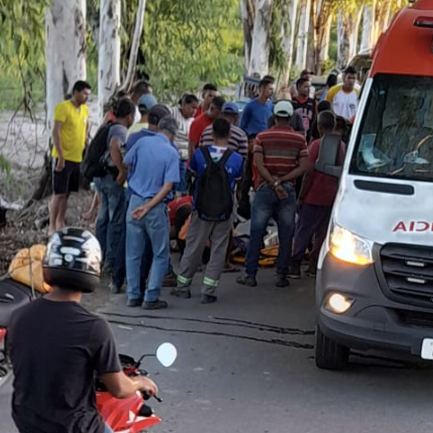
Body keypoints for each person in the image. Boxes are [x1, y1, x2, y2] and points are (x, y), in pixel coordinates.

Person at [8, 228, 158, 433]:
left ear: (48, 268)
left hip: (27, 421)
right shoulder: (94, 327)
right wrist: (140, 381)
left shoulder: (20, 316)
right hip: (74, 430)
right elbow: (119, 388)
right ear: (92, 271)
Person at [172, 118, 244, 303]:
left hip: (200, 209)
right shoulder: (236, 159)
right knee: (219, 249)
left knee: (193, 246)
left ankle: (183, 286)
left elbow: (193, 176)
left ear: (211, 135)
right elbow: (237, 182)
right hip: (224, 210)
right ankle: (208, 291)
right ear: (229, 134)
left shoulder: (198, 154)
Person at [241, 100, 308, 289]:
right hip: (287, 191)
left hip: (264, 189)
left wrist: (272, 182)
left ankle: (250, 275)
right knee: (286, 234)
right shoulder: (300, 140)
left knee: (256, 232)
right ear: (291, 118)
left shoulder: (262, 137)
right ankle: (281, 275)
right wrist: (283, 181)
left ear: (275, 116)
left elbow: (258, 164)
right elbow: (304, 166)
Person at [124, 117, 181, 309]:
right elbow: (168, 186)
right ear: (172, 134)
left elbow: (127, 162)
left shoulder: (141, 142)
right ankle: (151, 296)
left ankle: (133, 295)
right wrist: (149, 206)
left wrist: (140, 178)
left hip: (134, 201)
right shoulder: (171, 152)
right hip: (154, 206)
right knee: (160, 253)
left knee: (133, 252)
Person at [289, 111, 344, 278]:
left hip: (313, 196)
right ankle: (313, 266)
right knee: (322, 234)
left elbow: (309, 173)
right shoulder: (342, 146)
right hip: (331, 197)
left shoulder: (315, 145)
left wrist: (301, 196)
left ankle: (295, 266)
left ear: (319, 127)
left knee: (303, 231)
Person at [96, 97, 136, 294]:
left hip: (101, 178)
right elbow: (114, 146)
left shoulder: (108, 125)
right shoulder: (120, 130)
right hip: (112, 180)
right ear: (129, 116)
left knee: (103, 218)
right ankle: (110, 260)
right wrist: (122, 171)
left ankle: (99, 255)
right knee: (116, 220)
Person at [50, 80, 92, 235]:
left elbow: (85, 129)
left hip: (77, 158)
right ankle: (52, 225)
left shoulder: (85, 110)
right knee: (58, 192)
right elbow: (56, 132)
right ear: (75, 92)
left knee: (67, 193)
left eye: (88, 94)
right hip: (64, 157)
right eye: (84, 94)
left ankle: (61, 221)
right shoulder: (63, 108)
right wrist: (60, 156)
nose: (86, 97)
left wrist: (87, 144)